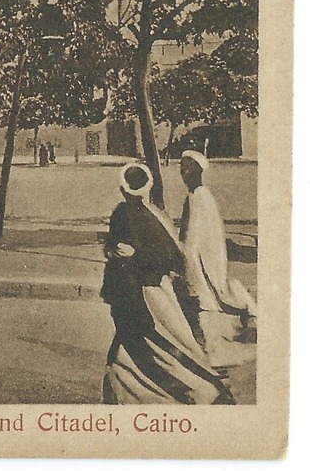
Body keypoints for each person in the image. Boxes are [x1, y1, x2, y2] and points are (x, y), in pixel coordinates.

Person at [101, 162, 234, 405]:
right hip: (153, 292)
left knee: (146, 345)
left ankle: (196, 389)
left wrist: (128, 253)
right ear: (146, 187)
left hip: (137, 293)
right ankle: (119, 389)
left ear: (123, 188)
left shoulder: (123, 213)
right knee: (149, 342)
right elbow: (172, 254)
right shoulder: (155, 214)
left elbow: (153, 254)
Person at [178, 150, 257, 367]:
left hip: (200, 263)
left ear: (199, 172)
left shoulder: (200, 198)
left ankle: (209, 349)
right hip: (197, 261)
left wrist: (187, 260)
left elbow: (194, 238)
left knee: (205, 302)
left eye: (189, 169)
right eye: (182, 168)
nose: (184, 173)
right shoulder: (195, 196)